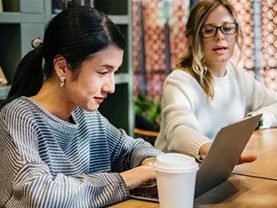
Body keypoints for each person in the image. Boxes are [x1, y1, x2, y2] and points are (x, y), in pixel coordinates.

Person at [0, 6, 163, 207]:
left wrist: (149, 163)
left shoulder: (86, 116)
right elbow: (39, 195)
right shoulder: (19, 117)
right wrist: (126, 179)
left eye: (114, 72)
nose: (110, 87)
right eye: (103, 72)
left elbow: (133, 149)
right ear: (62, 67)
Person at [155, 0, 277, 162]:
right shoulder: (179, 81)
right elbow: (178, 130)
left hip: (221, 170)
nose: (220, 36)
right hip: (178, 178)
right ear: (192, 39)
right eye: (208, 30)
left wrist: (257, 120)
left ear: (236, 34)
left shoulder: (237, 76)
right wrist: (212, 151)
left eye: (227, 28)